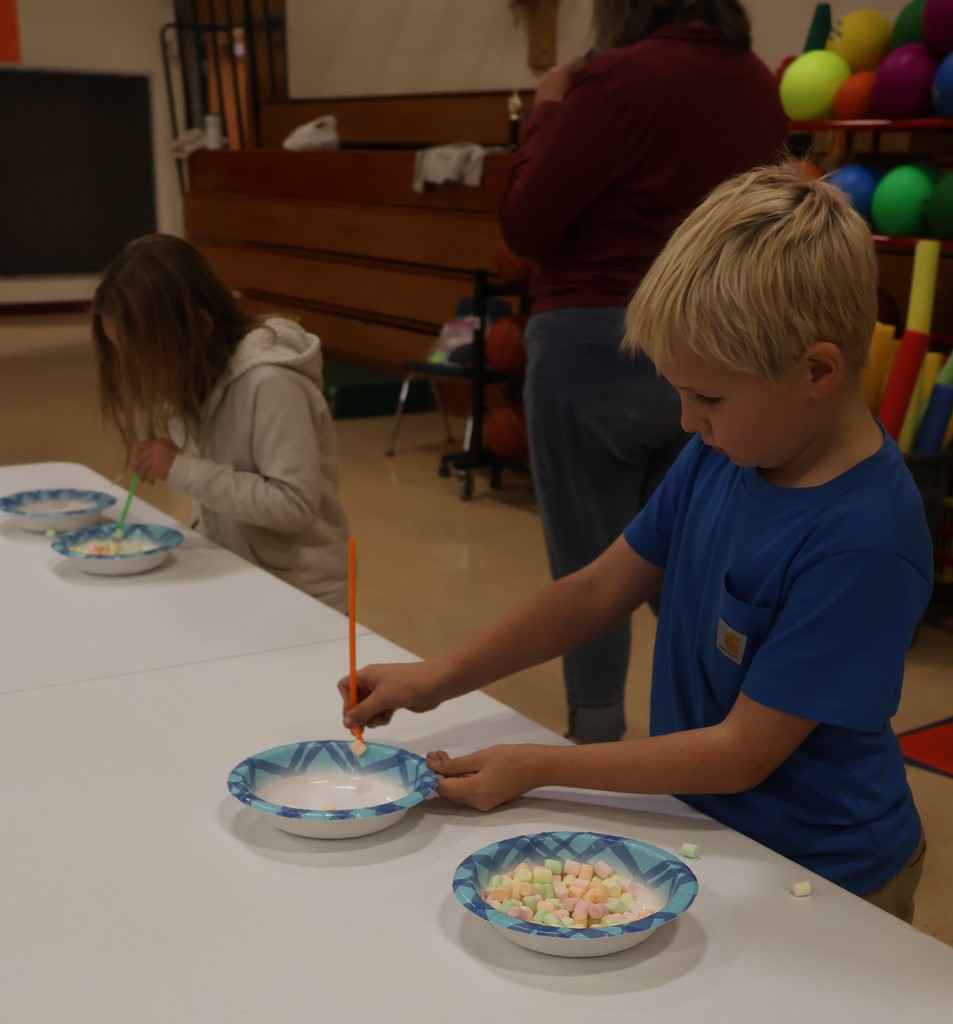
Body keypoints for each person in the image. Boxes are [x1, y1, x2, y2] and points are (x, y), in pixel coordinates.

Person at [342, 164, 933, 920]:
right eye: (680, 395)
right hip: (706, 829)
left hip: (824, 873)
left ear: (816, 370)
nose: (686, 423)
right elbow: (598, 589)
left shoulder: (864, 540)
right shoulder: (728, 448)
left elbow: (740, 751)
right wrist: (440, 676)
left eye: (707, 398)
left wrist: (537, 767)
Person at [499, 0, 788, 743]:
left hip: (594, 342)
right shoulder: (756, 80)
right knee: (689, 568)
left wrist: (546, 113)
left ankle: (596, 736)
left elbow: (528, 223)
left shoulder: (612, 78)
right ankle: (723, 730)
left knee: (592, 568)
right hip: (715, 348)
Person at [92, 234, 351, 613]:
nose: (138, 372)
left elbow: (293, 505)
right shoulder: (195, 377)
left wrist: (179, 466)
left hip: (300, 596)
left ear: (200, 326)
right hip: (240, 579)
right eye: (125, 357)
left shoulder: (271, 382)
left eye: (144, 355)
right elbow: (223, 493)